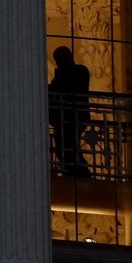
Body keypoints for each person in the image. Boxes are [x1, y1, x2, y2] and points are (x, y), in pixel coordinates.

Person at [50, 45, 93, 178]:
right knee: (66, 148)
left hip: (71, 116)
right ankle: (77, 173)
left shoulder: (79, 71)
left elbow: (61, 87)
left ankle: (81, 174)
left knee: (67, 148)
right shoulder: (77, 72)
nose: (59, 63)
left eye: (60, 59)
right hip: (67, 117)